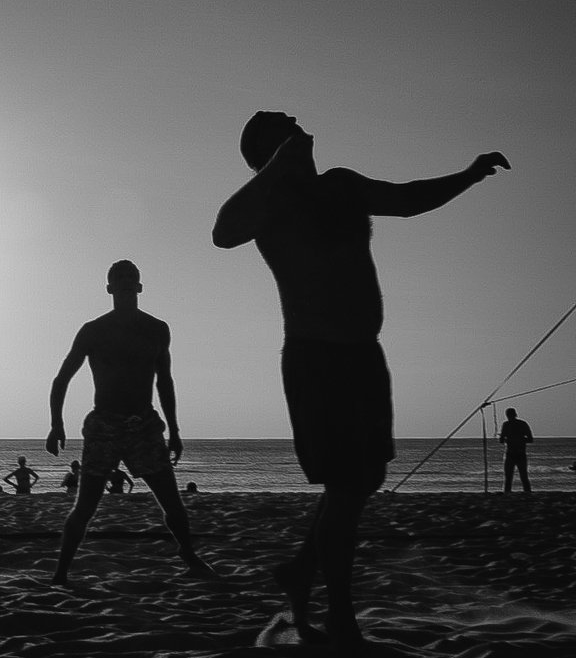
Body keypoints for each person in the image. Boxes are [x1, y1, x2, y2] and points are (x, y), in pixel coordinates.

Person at [212, 111, 509, 650]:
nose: (299, 121)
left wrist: (468, 174)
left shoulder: (342, 186)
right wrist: (277, 167)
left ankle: (303, 569)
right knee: (347, 487)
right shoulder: (269, 203)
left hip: (365, 357)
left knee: (358, 483)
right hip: (315, 358)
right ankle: (342, 616)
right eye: (285, 123)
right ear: (269, 150)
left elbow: (407, 198)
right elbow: (223, 232)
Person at [45, 259, 215, 585]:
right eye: (118, 278)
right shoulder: (93, 330)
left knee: (173, 503)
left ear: (139, 286)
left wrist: (175, 430)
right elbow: (61, 378)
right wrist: (56, 423)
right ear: (109, 288)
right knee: (85, 506)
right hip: (104, 424)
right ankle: (61, 572)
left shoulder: (156, 329)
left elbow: (165, 380)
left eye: (131, 277)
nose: (125, 282)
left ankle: (189, 555)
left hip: (144, 424)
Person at [499, 407, 533, 492]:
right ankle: (527, 493)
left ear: (507, 415)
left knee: (509, 477)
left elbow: (501, 440)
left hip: (512, 454)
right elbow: (530, 439)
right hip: (519, 453)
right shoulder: (522, 424)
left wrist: (512, 439)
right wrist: (520, 439)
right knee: (523, 476)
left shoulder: (506, 424)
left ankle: (507, 493)